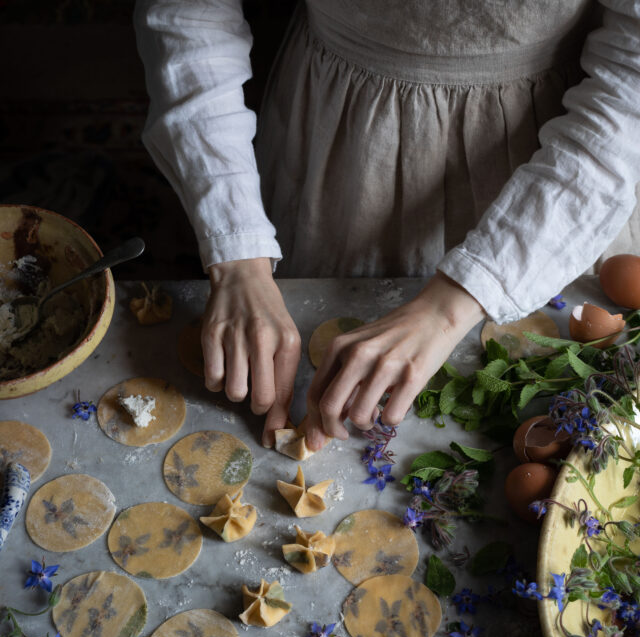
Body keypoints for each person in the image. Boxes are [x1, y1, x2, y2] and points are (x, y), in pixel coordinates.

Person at [133, 0, 640, 450]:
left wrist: (456, 301)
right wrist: (237, 250)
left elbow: (629, 90)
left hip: (559, 164)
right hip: (340, 133)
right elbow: (189, 14)